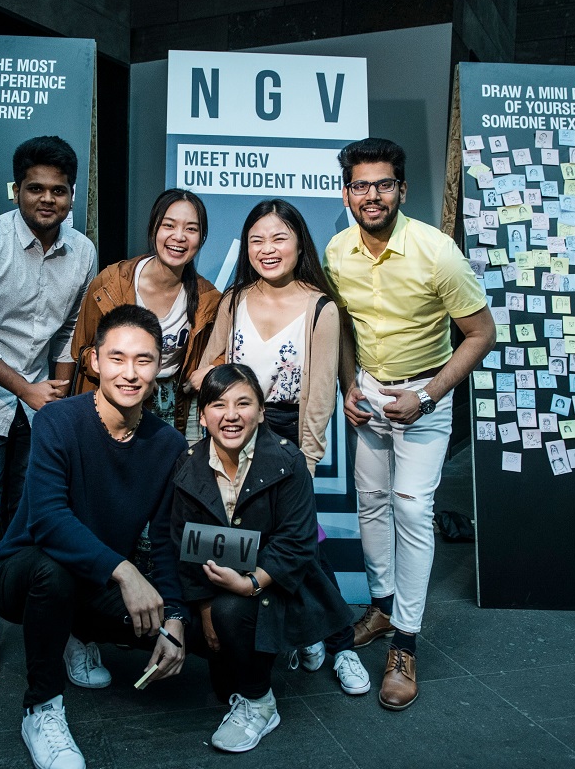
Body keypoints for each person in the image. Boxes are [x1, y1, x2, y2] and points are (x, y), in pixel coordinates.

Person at [324, 137, 495, 711]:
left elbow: (481, 334)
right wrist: (350, 382)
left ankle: (406, 642)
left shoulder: (436, 250)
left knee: (412, 509)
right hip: (369, 389)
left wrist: (427, 395)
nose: (371, 195)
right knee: (369, 500)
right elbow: (343, 328)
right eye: (360, 185)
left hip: (426, 391)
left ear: (401, 188)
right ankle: (381, 601)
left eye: (383, 184)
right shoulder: (337, 250)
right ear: (346, 191)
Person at [0, 305, 188, 769]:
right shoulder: (59, 421)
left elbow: (165, 539)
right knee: (53, 571)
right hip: (21, 572)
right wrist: (126, 572)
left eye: (143, 360)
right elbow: (48, 522)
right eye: (117, 358)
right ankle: (42, 708)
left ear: (160, 367)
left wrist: (174, 616)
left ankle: (75, 631)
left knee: (181, 634)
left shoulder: (168, 445)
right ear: (94, 362)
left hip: (92, 583)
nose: (130, 373)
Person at [188, 198, 366, 694]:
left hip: (286, 435)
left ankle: (341, 645)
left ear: (298, 243)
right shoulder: (234, 299)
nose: (267, 249)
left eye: (279, 238)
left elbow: (319, 397)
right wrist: (221, 388)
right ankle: (296, 636)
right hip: (230, 430)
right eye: (257, 240)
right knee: (252, 546)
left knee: (300, 542)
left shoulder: (320, 308)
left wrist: (305, 460)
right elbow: (206, 368)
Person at [0, 135, 97, 684]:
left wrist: (52, 399)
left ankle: (27, 614)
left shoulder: (82, 252)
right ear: (17, 190)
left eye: (58, 190)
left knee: (25, 514)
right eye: (36, 188)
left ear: (72, 194)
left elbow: (68, 333)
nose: (47, 199)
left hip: (38, 402)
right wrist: (24, 390)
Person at [170, 364, 354, 753]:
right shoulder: (188, 463)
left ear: (263, 411)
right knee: (221, 680)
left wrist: (251, 582)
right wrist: (203, 610)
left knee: (233, 612)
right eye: (218, 405)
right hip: (219, 584)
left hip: (283, 579)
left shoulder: (288, 462)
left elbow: (297, 542)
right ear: (202, 415)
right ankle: (271, 646)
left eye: (243, 403)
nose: (231, 415)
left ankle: (260, 703)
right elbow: (184, 543)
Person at [70, 189, 221, 436]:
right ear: (153, 229)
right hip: (116, 396)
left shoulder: (208, 299)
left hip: (173, 405)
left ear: (201, 238)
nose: (179, 236)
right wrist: (120, 369)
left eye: (191, 229)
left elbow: (222, 354)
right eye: (169, 225)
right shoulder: (111, 284)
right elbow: (82, 349)